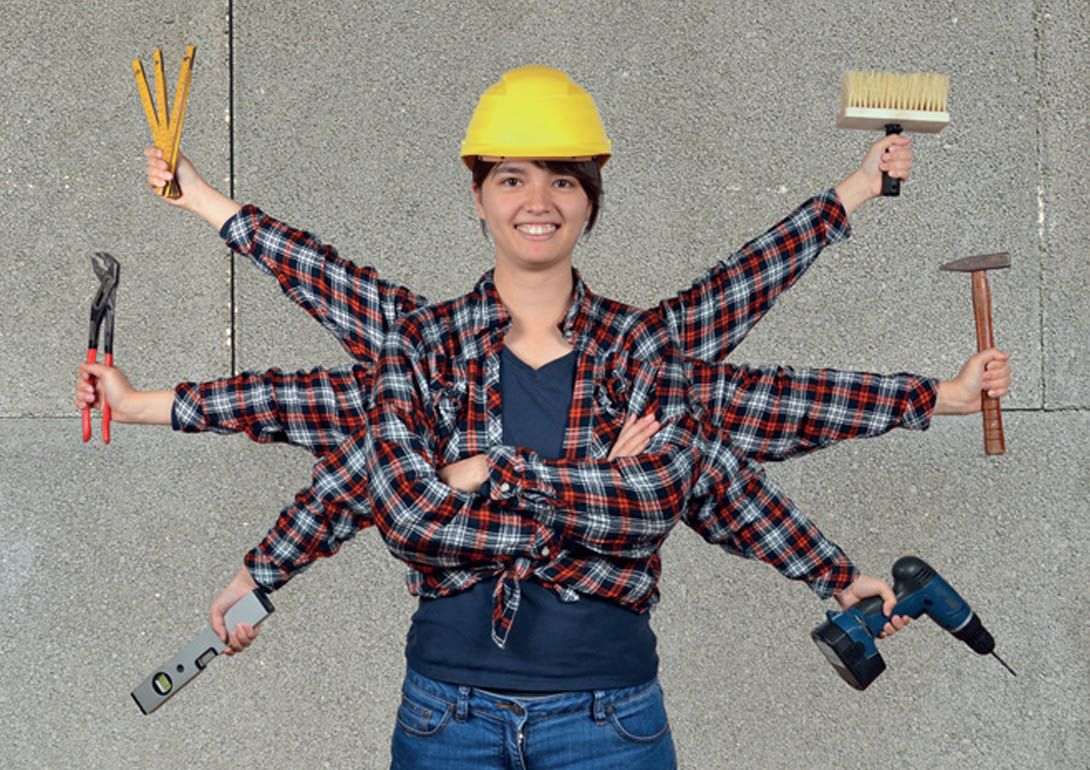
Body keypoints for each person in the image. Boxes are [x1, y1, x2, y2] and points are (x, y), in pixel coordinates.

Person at [77, 66, 1011, 768]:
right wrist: (255, 569)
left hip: (611, 722)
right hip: (446, 717)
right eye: (513, 178)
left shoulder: (646, 350)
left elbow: (748, 400)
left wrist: (931, 403)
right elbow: (328, 412)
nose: (538, 201)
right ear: (479, 196)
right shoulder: (422, 344)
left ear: (589, 203)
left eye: (564, 180)